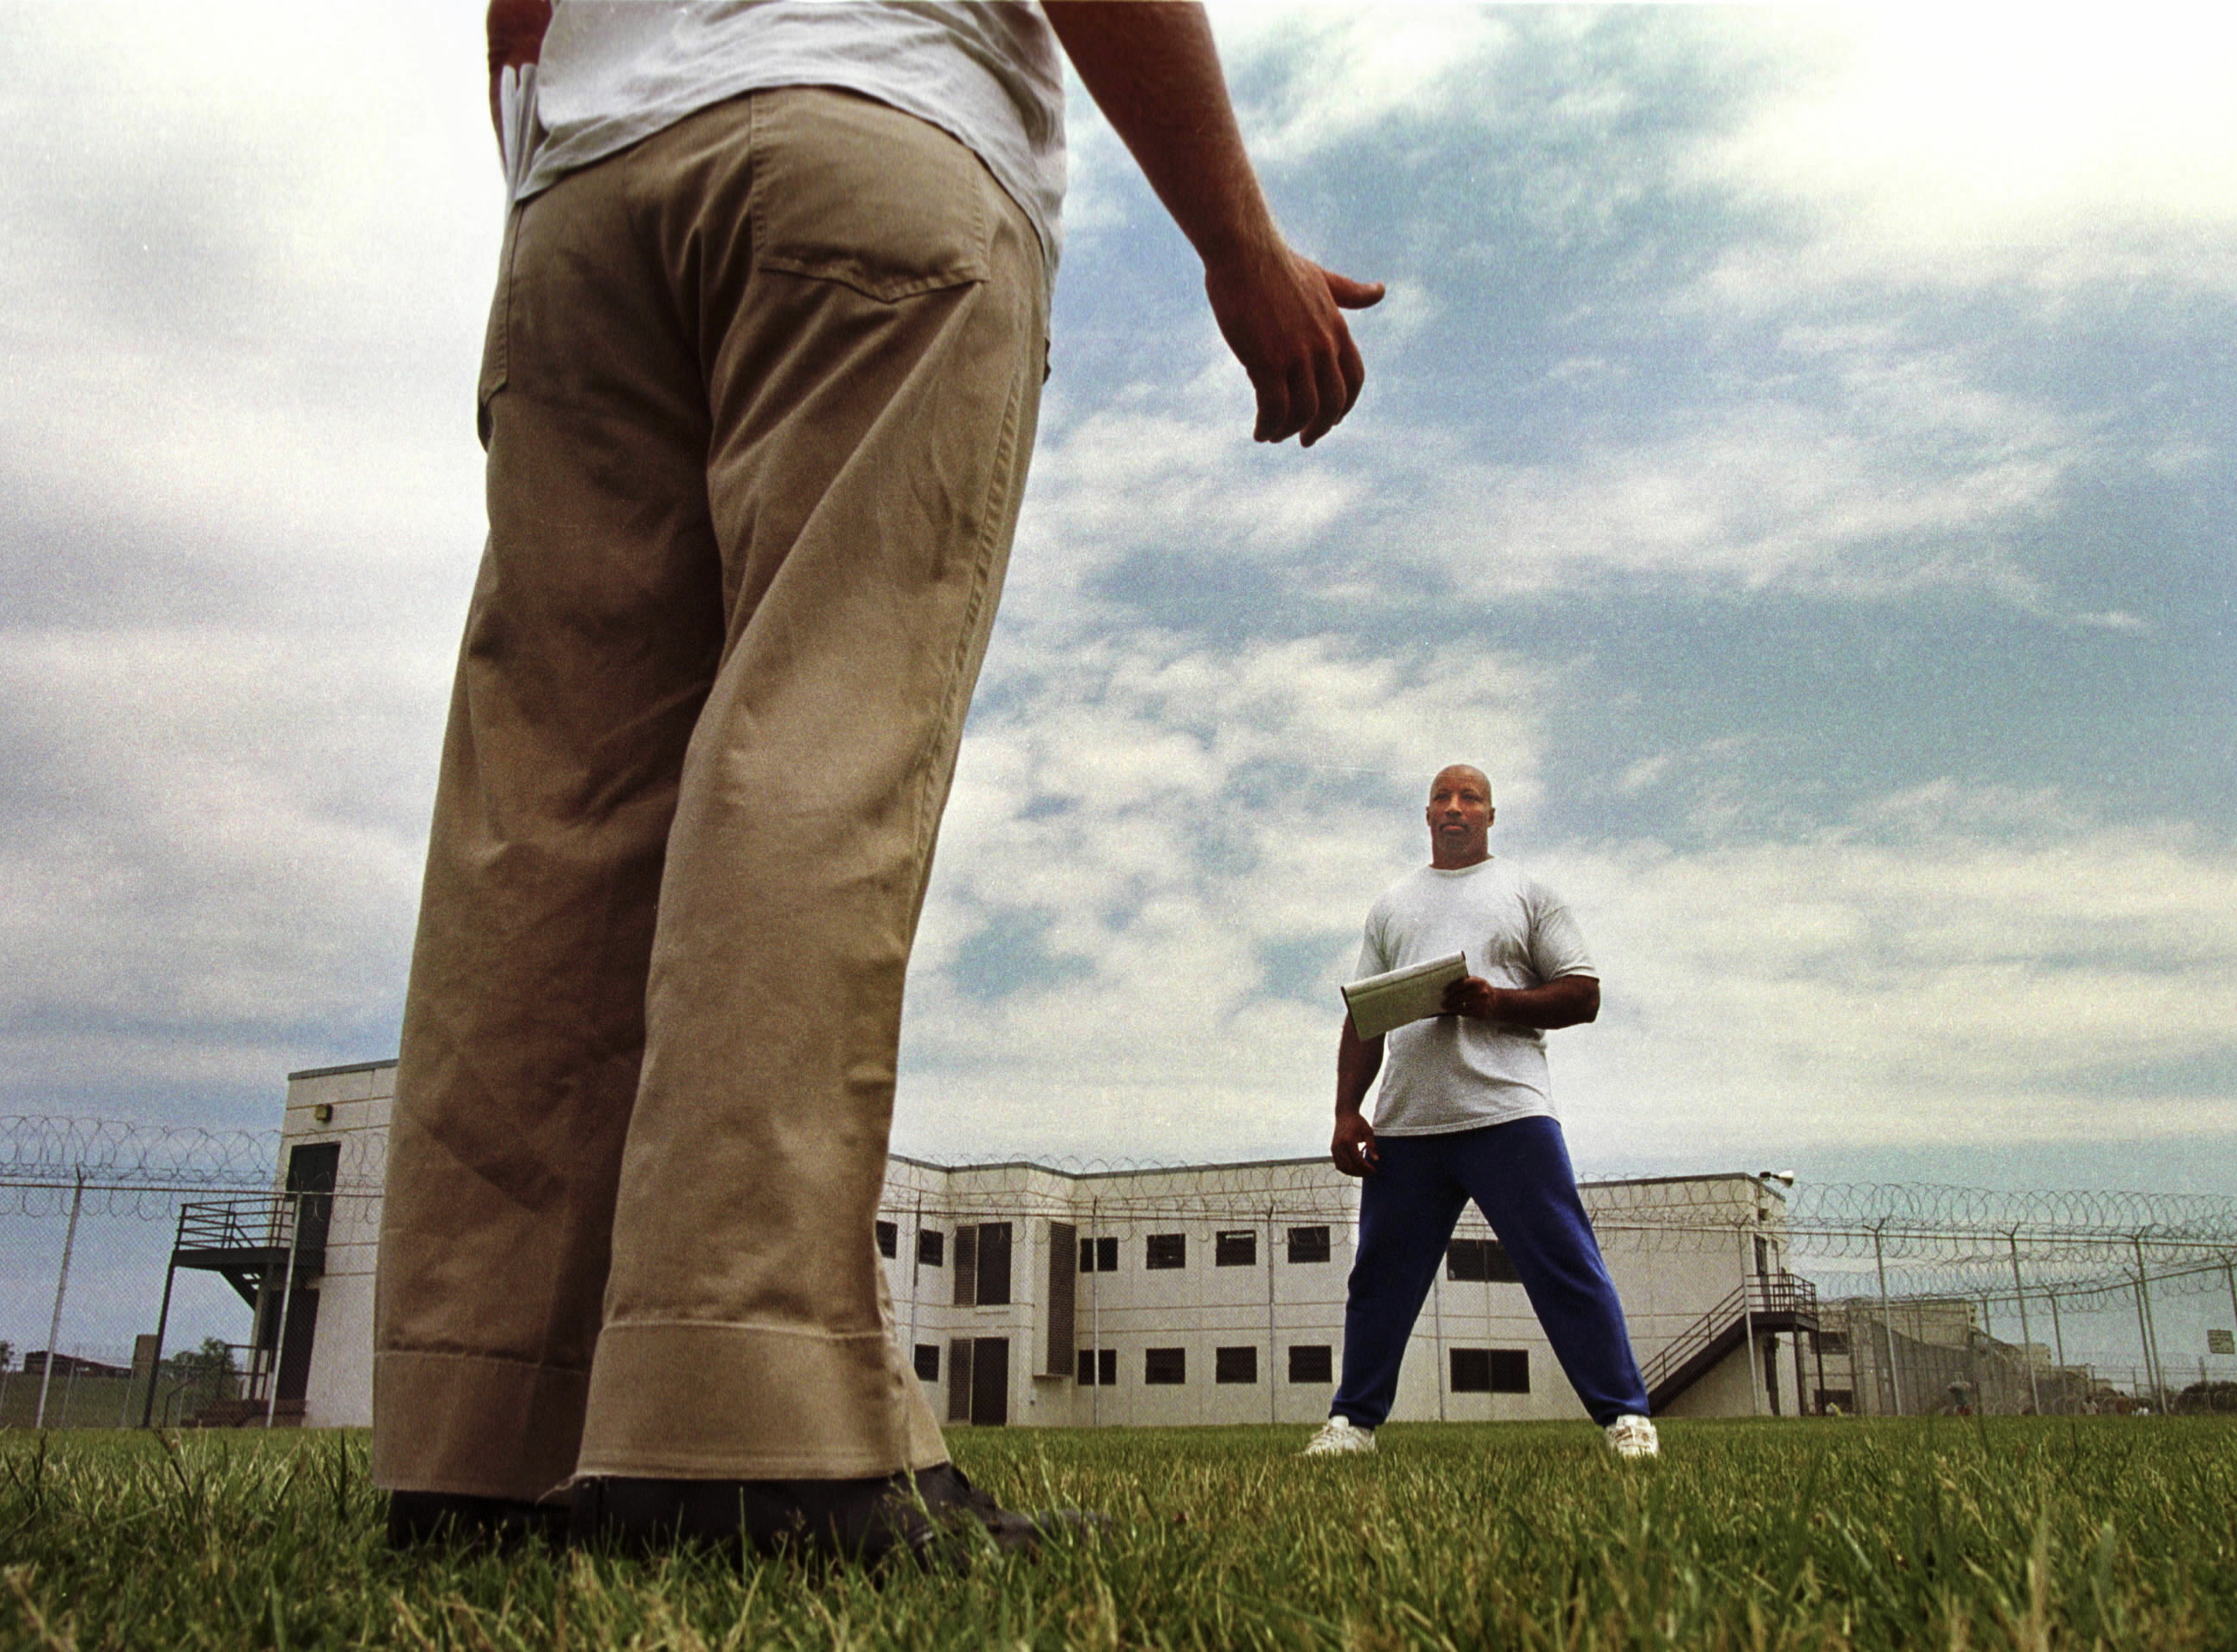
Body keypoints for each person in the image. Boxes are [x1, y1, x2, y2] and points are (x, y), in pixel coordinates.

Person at [375, 0, 1381, 1558]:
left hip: (580, 199)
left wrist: (570, 183)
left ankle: (481, 1432)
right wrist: (1236, 243)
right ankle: (741, 1417)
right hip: (862, 140)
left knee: (546, 812)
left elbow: (518, 15)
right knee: (814, 736)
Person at [1305, 766, 1660, 1461]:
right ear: (1427, 815)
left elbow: (1582, 994)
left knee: (1563, 1261)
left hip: (1508, 1112)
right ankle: (1353, 1423)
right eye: (1443, 797)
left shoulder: (1528, 893)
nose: (1455, 807)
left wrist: (1497, 1003)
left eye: (1470, 797)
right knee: (1380, 1275)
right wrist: (1347, 1111)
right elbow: (1364, 1017)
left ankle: (1626, 1415)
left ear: (1491, 814)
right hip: (1410, 1122)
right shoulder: (1392, 906)